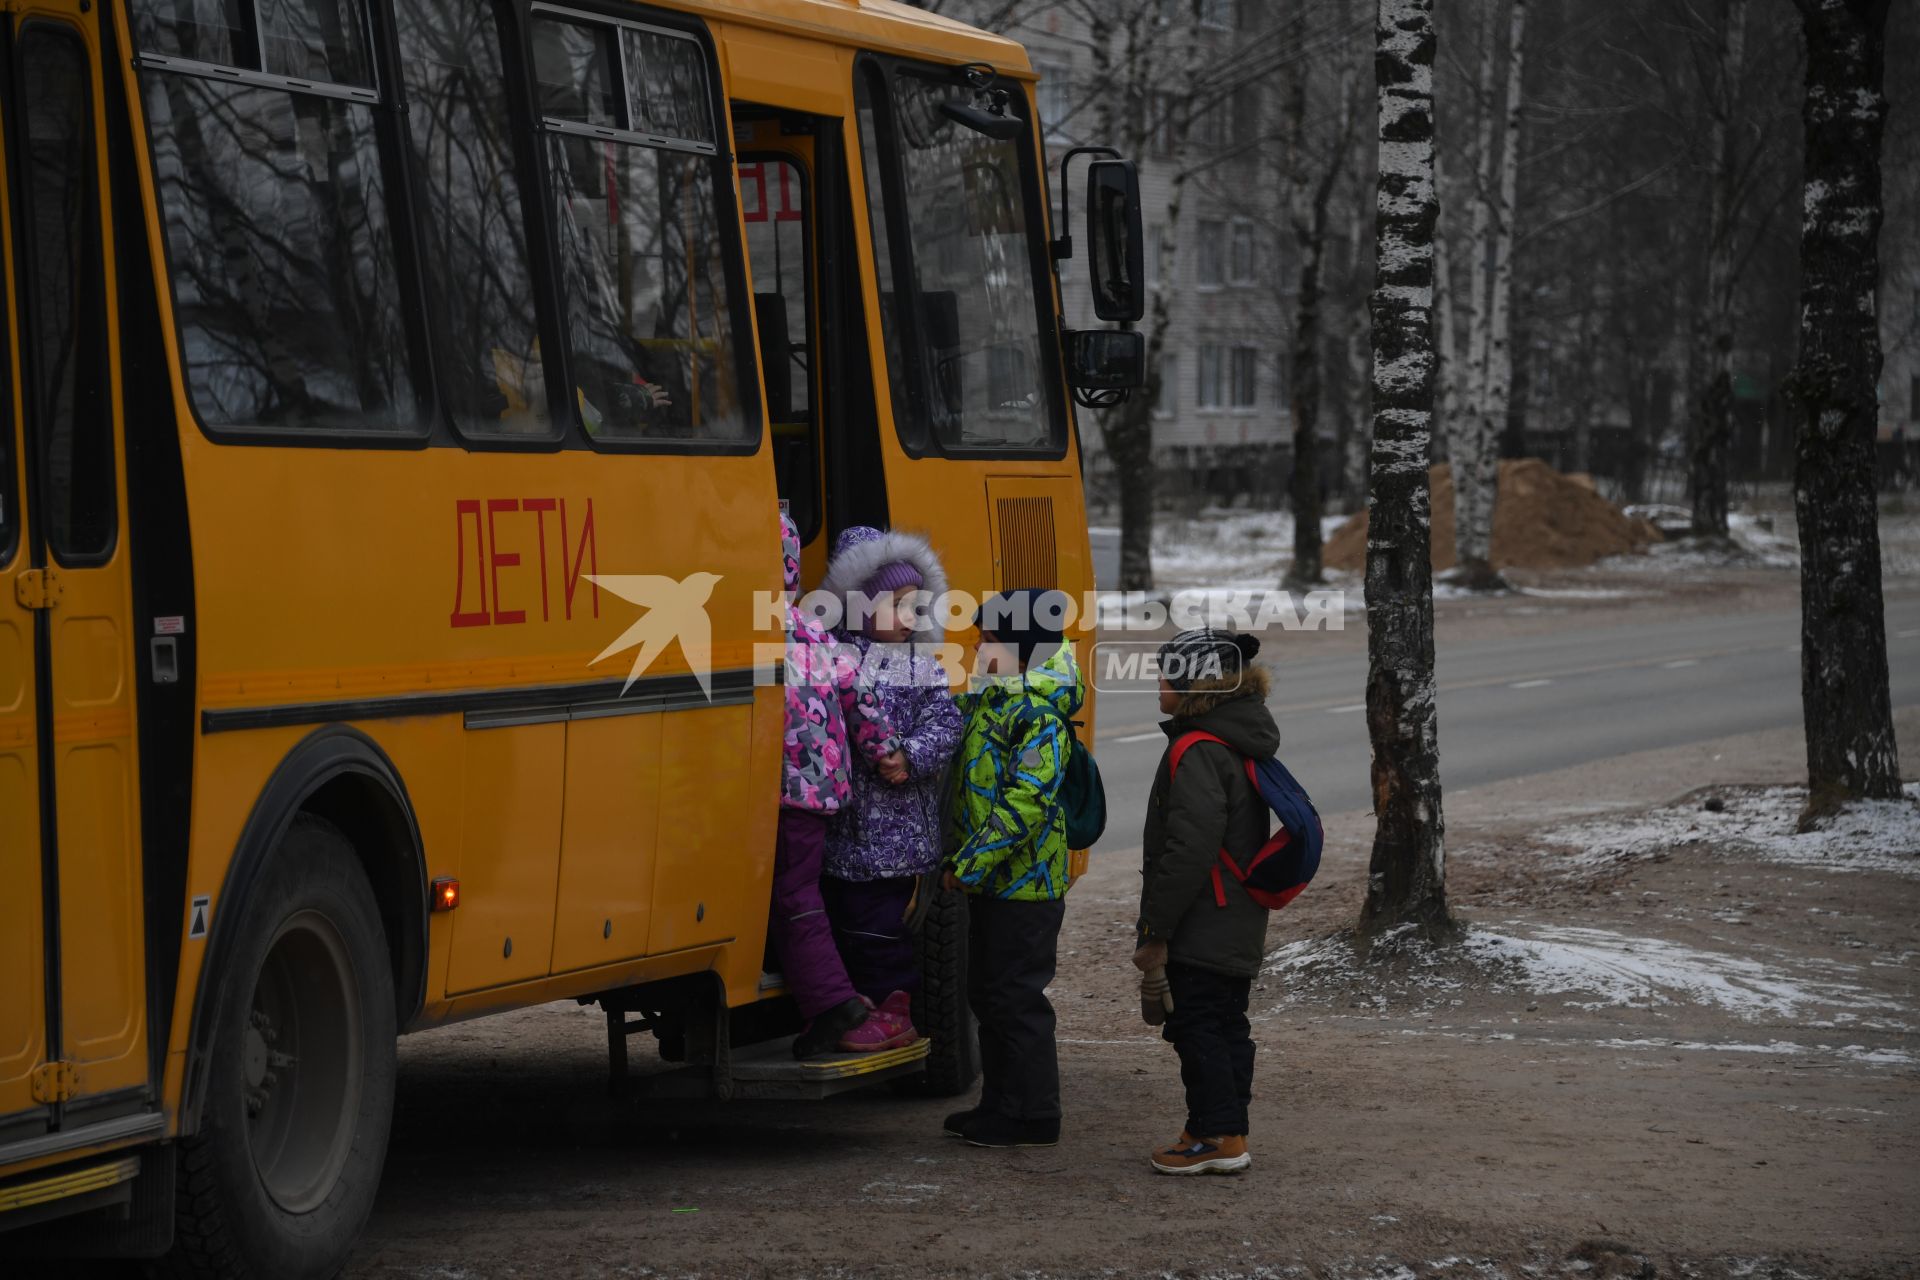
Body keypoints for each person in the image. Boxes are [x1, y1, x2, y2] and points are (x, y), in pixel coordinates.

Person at [941, 589, 1084, 1148]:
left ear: (1023, 650)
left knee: (1015, 999)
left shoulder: (1037, 716)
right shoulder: (992, 701)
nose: (977, 646)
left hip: (1025, 888)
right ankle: (1000, 1105)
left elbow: (1027, 800)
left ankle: (1035, 1115)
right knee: (989, 995)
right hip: (998, 884)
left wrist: (971, 864)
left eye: (989, 638)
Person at [1133, 627, 1274, 1175]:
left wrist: (1155, 929)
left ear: (1196, 683)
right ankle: (1220, 1126)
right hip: (1234, 911)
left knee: (1197, 1024)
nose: (1159, 682)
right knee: (1224, 1022)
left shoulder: (1196, 749)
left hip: (1203, 917)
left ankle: (1218, 1137)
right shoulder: (1234, 736)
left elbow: (1188, 849)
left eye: (1167, 672)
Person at [818, 526, 964, 1044]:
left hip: (898, 839)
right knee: (847, 923)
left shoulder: (918, 666)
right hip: (842, 834)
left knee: (883, 930)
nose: (910, 619)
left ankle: (893, 1011)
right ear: (859, 606)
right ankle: (859, 1003)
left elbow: (945, 724)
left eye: (916, 607)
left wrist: (910, 756)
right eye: (898, 605)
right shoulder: (832, 661)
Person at [774, 510, 912, 1057]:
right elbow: (862, 702)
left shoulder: (758, 625)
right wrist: (887, 753)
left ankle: (834, 1005)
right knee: (799, 891)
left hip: (787, 791)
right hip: (826, 785)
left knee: (794, 896)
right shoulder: (811, 626)